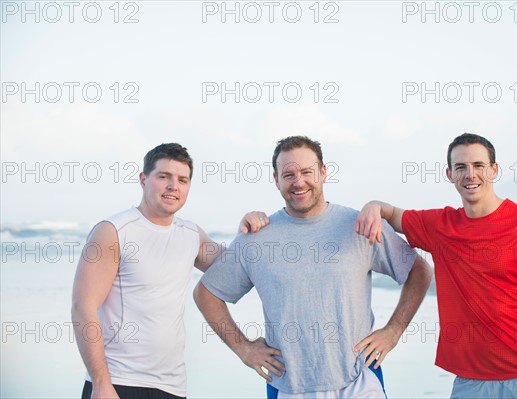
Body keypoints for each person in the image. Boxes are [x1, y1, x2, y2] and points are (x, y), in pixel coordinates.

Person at [195, 136, 433, 398]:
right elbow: (206, 293)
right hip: (289, 384)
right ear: (276, 180)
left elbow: (418, 270)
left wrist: (393, 331)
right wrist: (244, 349)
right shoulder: (256, 238)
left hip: (359, 380)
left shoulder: (360, 225)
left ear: (323, 172)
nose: (299, 182)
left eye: (307, 172)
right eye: (289, 174)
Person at [355, 133, 517, 398]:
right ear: (449, 173)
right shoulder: (441, 226)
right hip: (468, 383)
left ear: (494, 170)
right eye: (461, 167)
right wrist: (372, 206)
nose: (470, 175)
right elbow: (392, 214)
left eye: (479, 166)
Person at [71, 143, 267, 399]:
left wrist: (248, 229)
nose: (174, 186)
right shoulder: (114, 231)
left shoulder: (190, 234)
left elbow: (238, 268)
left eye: (182, 180)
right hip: (118, 382)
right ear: (143, 179)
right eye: (164, 177)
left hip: (172, 386)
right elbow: (82, 307)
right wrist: (100, 383)